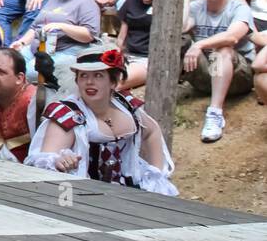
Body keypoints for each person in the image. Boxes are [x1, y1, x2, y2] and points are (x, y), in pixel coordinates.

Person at [26, 49, 177, 195]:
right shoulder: (68, 115)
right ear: (77, 80)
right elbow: (44, 161)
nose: (89, 82)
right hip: (84, 199)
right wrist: (59, 161)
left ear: (113, 81)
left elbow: (151, 131)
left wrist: (156, 174)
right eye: (83, 75)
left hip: (130, 196)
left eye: (98, 75)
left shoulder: (126, 105)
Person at [182, 0, 255, 143]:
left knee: (221, 49)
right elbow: (181, 28)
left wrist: (199, 44)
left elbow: (232, 37)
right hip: (207, 76)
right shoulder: (196, 6)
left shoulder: (239, 8)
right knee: (180, 42)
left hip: (239, 76)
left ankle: (214, 115)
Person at [11, 0, 100, 94]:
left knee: (31, 72)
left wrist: (62, 26)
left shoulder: (86, 3)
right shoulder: (53, 0)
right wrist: (22, 42)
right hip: (37, 48)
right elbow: (35, 27)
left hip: (65, 51)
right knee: (10, 62)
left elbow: (89, 35)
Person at [116, 0, 155, 88]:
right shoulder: (131, 2)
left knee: (117, 82)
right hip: (127, 55)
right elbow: (122, 34)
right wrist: (117, 53)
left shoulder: (163, 7)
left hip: (146, 59)